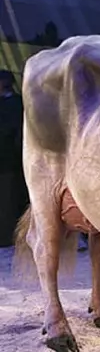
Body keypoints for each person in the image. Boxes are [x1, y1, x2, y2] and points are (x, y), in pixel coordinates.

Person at [0, 69, 27, 247]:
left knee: (9, 198)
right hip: (9, 159)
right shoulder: (17, 103)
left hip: (10, 160)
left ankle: (8, 236)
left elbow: (11, 131)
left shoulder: (16, 103)